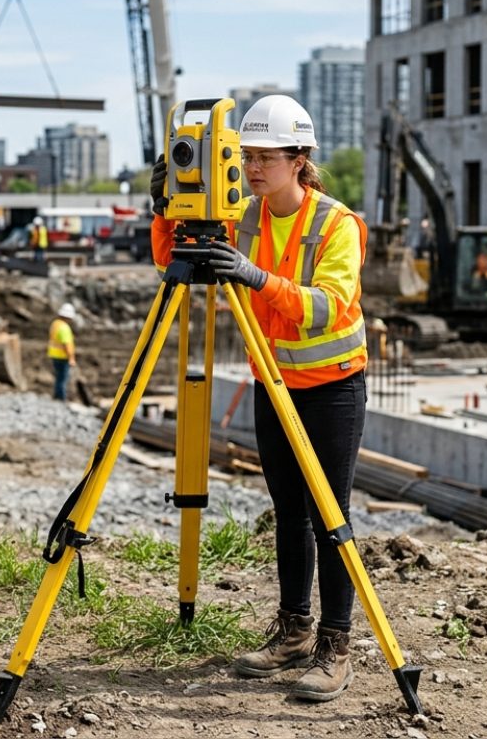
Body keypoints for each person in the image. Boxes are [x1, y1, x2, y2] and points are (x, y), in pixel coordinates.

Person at [151, 95, 367, 702]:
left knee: (331, 517)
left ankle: (335, 647)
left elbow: (328, 305)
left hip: (331, 389)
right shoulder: (241, 214)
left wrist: (253, 276)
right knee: (288, 513)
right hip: (275, 387)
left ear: (299, 159)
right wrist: (166, 207)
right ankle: (294, 631)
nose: (250, 167)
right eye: (245, 156)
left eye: (264, 157)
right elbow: (172, 260)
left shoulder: (336, 224)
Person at [48, 302, 77, 401]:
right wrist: (71, 358)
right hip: (62, 356)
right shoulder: (64, 327)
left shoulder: (55, 324)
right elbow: (67, 344)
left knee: (58, 377)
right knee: (62, 379)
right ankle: (61, 398)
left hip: (54, 354)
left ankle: (57, 396)